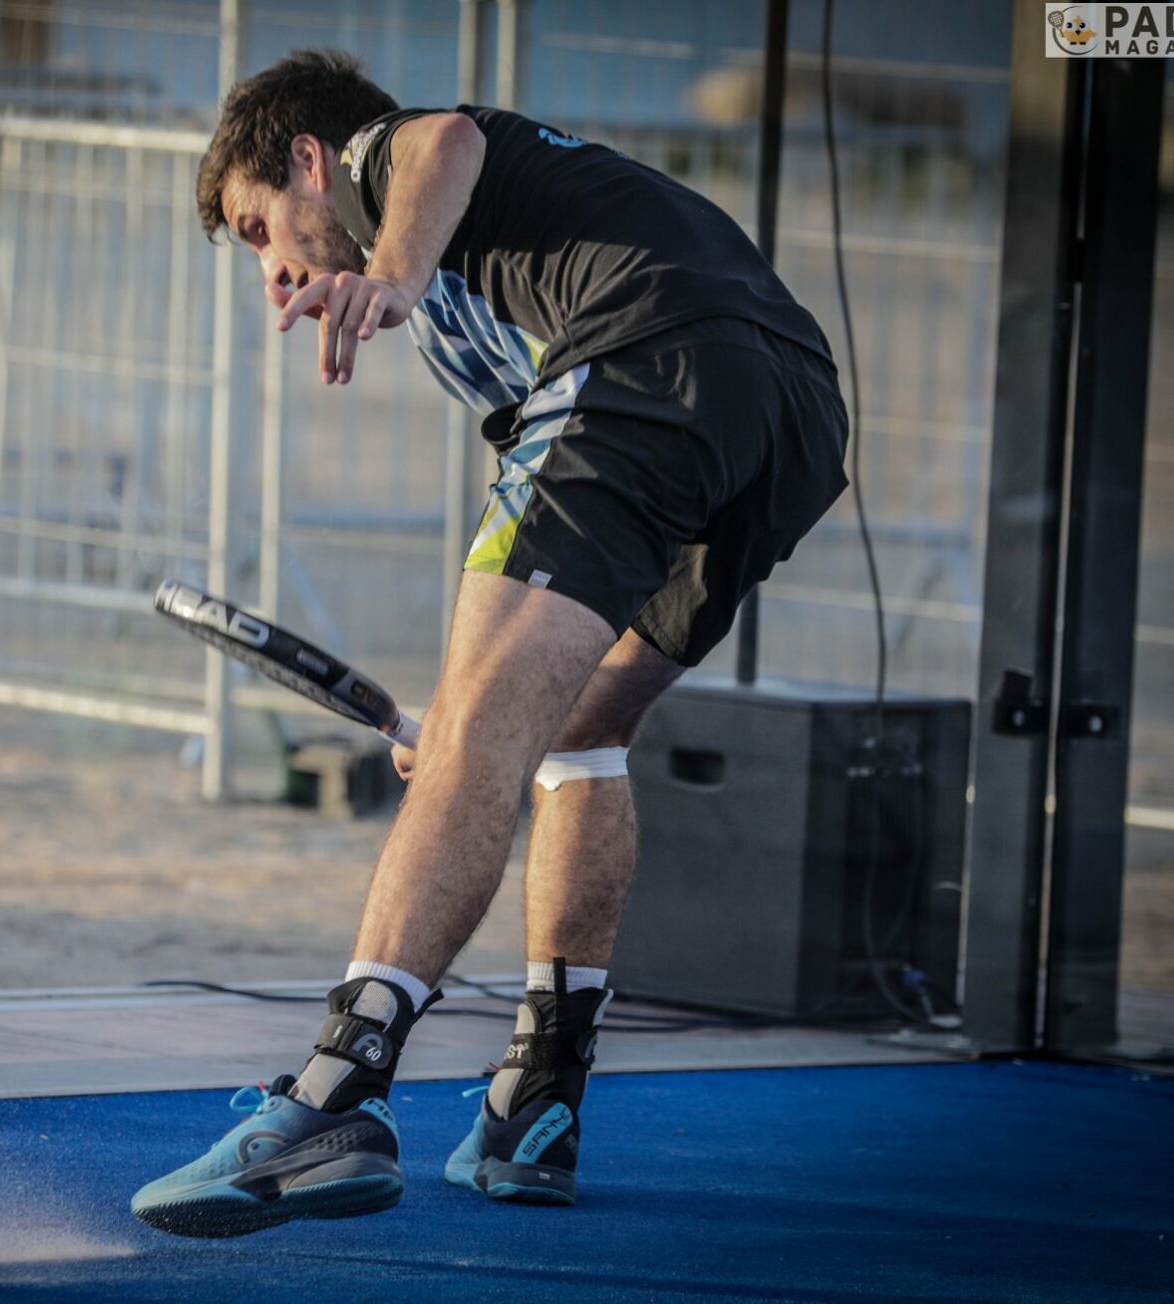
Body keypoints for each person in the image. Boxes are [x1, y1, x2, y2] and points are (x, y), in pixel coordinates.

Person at [132, 49, 848, 1237]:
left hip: (648, 353)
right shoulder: (501, 284)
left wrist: (394, 273)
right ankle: (537, 1103)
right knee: (577, 728)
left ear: (306, 158)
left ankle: (331, 1096)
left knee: (477, 733)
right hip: (787, 418)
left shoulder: (382, 166)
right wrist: (487, 723)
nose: (273, 273)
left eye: (262, 227)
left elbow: (442, 140)